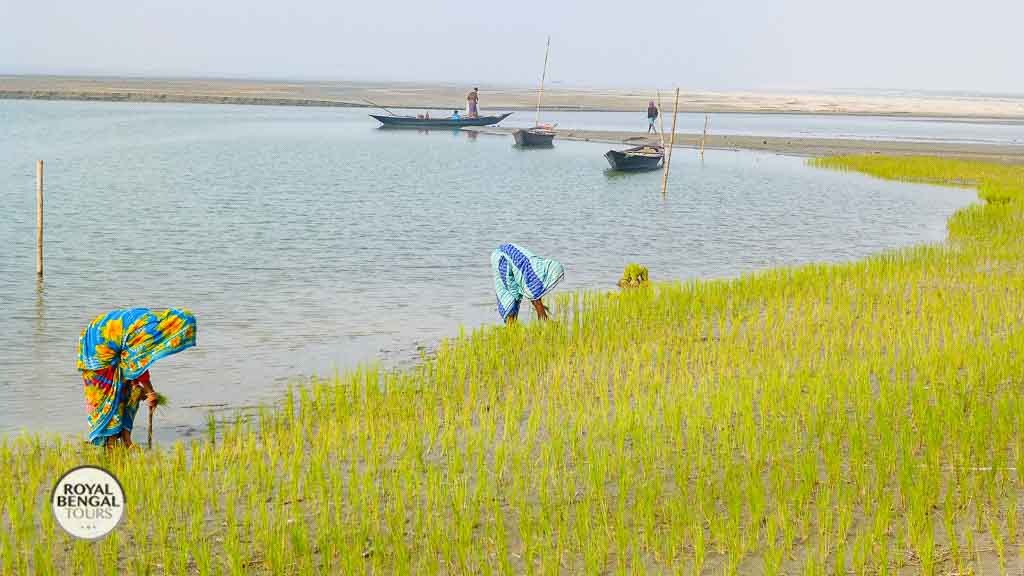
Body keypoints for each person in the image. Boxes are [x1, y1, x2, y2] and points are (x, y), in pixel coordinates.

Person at [78, 308, 197, 448]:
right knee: (113, 398)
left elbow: (136, 361)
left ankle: (125, 439)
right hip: (98, 350)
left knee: (133, 390)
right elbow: (136, 363)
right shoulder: (149, 331)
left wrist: (141, 386)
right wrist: (151, 392)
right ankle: (110, 443)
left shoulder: (154, 323)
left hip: (107, 342)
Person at [491, 243, 564, 325]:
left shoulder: (539, 269)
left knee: (528, 296)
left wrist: (539, 306)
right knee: (511, 297)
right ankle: (511, 327)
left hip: (510, 255)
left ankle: (514, 327)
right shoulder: (534, 271)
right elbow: (531, 294)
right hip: (502, 259)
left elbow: (534, 294)